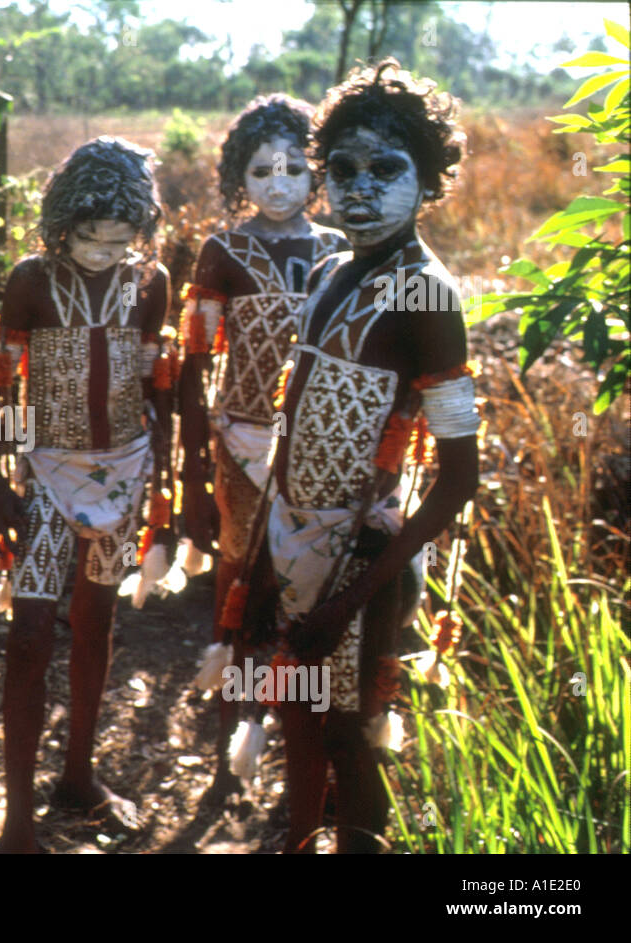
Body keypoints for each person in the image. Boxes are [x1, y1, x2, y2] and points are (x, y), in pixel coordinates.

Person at [268, 60, 479, 852]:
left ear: (428, 183)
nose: (358, 187)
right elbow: (291, 428)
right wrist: (263, 557)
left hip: (362, 558)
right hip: (291, 540)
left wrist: (348, 599)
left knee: (354, 735)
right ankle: (296, 837)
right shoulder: (329, 271)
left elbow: (460, 478)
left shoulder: (430, 295)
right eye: (342, 169)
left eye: (385, 169)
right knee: (296, 703)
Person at [0, 137, 172, 853]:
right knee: (29, 634)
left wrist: (169, 492)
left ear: (141, 234)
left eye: (119, 239)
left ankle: (79, 774)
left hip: (125, 471)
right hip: (47, 474)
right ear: (63, 224)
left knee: (96, 623)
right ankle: (18, 816)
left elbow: (161, 389)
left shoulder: (150, 283)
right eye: (89, 236)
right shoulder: (32, 281)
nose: (101, 250)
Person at [178, 94, 347, 797]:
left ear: (318, 177)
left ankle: (303, 750)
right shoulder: (223, 251)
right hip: (240, 439)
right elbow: (192, 365)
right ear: (236, 179)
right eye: (260, 170)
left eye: (293, 169)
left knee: (307, 588)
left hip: (315, 447)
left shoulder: (340, 253)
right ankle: (233, 741)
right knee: (243, 585)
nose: (277, 184)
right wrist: (190, 465)